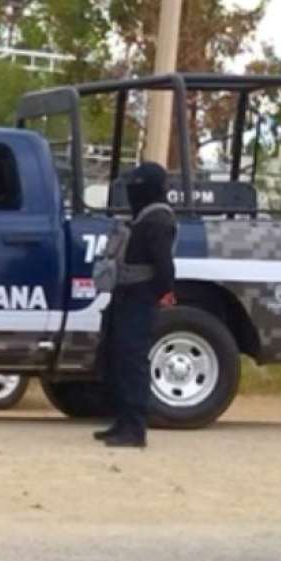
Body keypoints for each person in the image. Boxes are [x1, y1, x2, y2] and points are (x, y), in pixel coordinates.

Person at [95, 162, 177, 449]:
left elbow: (164, 266)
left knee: (133, 361)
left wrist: (160, 292)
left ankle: (135, 428)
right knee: (117, 358)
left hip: (139, 297)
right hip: (126, 295)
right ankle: (121, 422)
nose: (131, 191)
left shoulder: (158, 220)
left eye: (135, 186)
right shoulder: (144, 216)